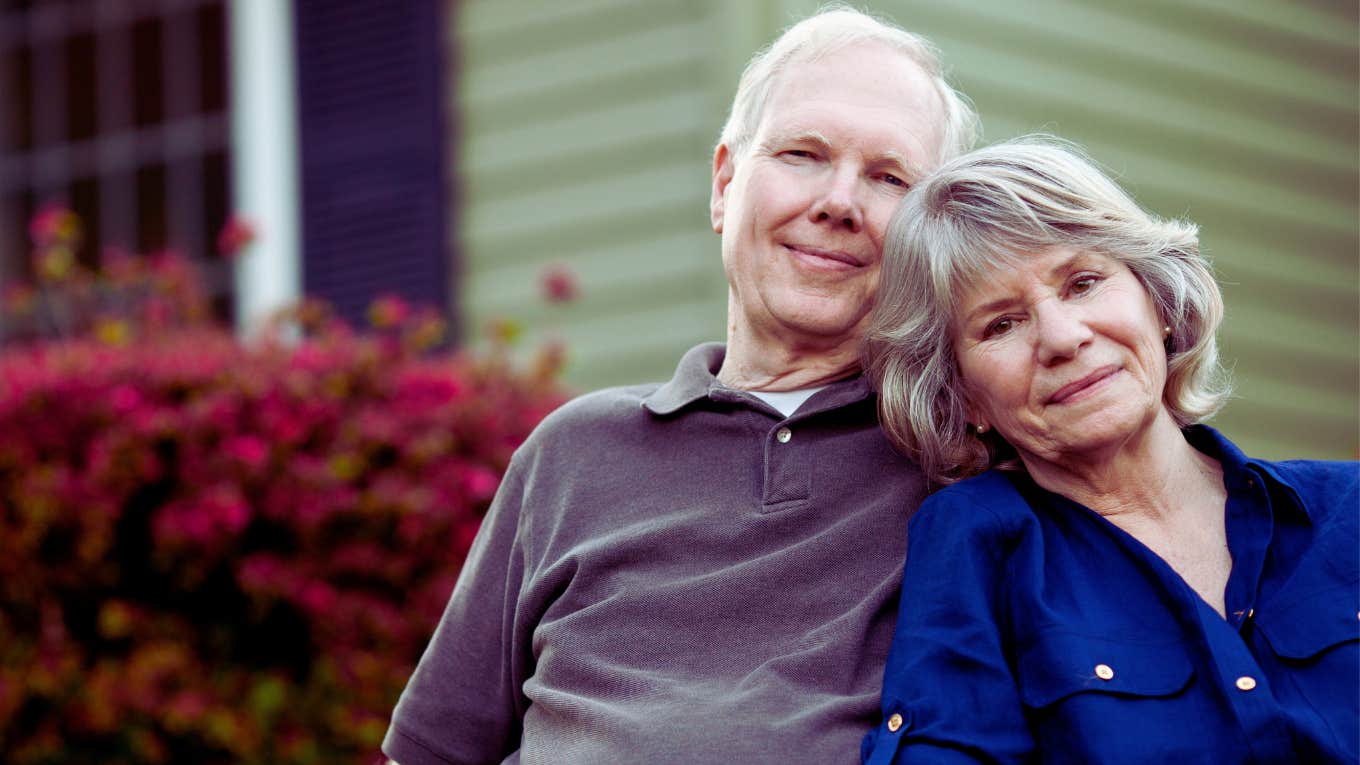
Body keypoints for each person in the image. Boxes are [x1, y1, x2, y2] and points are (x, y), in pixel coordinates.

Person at [382, 7, 979, 765]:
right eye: (803, 153)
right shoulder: (572, 455)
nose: (839, 201)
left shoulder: (959, 463)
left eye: (889, 177)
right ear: (724, 183)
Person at [859, 137, 1359, 764]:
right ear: (963, 399)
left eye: (1083, 283)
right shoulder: (980, 545)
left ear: (1159, 303)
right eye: (1001, 324)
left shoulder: (1348, 509)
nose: (1062, 338)